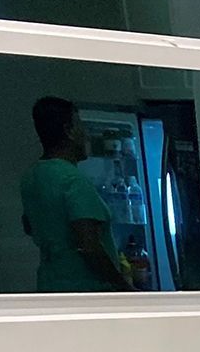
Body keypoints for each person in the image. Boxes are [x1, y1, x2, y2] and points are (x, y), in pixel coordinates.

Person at [20, 97, 132, 293]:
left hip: (50, 285)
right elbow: (89, 245)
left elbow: (29, 226)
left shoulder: (31, 177)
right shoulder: (72, 180)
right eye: (80, 126)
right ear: (69, 131)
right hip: (85, 290)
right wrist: (122, 286)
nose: (85, 134)